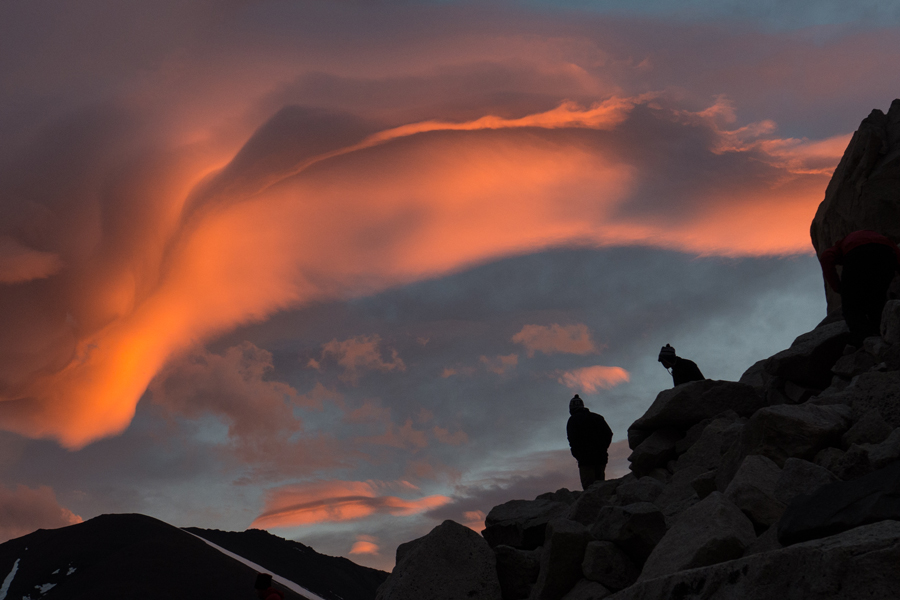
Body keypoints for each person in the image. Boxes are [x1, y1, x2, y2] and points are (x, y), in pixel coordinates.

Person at [818, 230, 900, 346]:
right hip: (886, 254)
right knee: (877, 299)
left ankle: (862, 339)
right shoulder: (881, 238)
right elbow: (897, 255)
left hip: (857, 255)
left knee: (851, 306)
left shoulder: (841, 245)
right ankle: (880, 332)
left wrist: (839, 288)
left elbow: (826, 257)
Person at [566, 394, 613, 490]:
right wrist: (603, 449)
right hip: (600, 458)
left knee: (589, 489)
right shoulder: (597, 418)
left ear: (571, 409)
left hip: (585, 460)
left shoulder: (572, 420)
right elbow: (609, 434)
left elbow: (572, 440)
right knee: (601, 487)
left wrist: (578, 454)